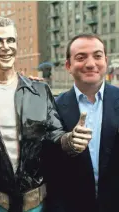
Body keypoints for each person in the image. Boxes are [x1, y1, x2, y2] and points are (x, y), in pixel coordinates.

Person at [0, 15, 92, 212]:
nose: (6, 46)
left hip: (34, 203)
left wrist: (71, 141)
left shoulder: (40, 91)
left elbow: (55, 135)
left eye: (11, 40)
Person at [46, 33, 119, 212]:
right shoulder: (52, 108)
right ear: (68, 66)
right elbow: (48, 164)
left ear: (106, 61)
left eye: (97, 56)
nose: (90, 63)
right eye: (81, 57)